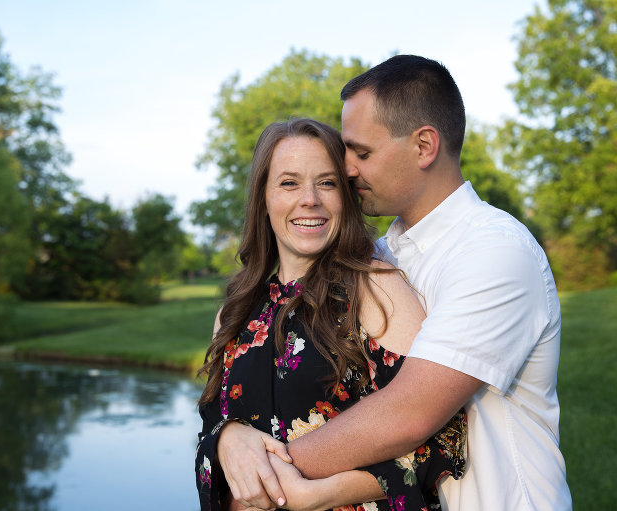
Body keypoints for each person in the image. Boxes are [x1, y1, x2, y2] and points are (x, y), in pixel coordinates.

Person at [215, 56, 573, 510]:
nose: (346, 170)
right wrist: (227, 436)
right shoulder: (379, 257)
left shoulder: (495, 252)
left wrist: (262, 466)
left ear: (424, 146)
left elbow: (408, 414)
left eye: (361, 153)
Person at [194, 117, 468, 511]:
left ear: (346, 195)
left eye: (327, 182)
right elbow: (208, 431)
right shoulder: (235, 312)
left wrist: (324, 494)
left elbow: (445, 433)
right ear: (264, 198)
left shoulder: (374, 287)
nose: (310, 199)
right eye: (289, 183)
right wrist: (226, 437)